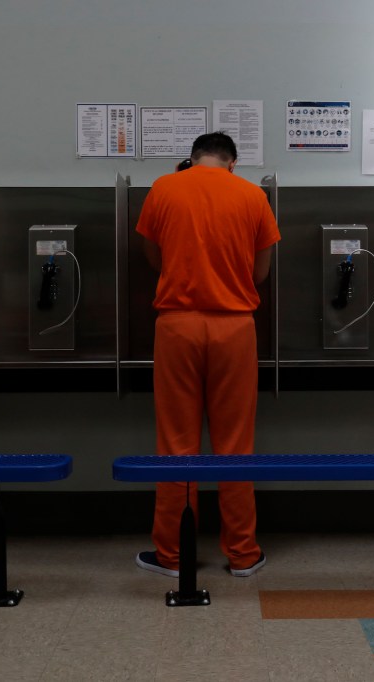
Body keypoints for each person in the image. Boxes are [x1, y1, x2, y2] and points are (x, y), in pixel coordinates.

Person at [134, 131, 280, 578]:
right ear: (232, 163)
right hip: (235, 327)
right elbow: (260, 273)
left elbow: (153, 257)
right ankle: (242, 553)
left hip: (176, 325)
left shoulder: (163, 188)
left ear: (192, 159)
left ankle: (173, 555)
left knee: (176, 443)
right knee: (235, 444)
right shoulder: (253, 196)